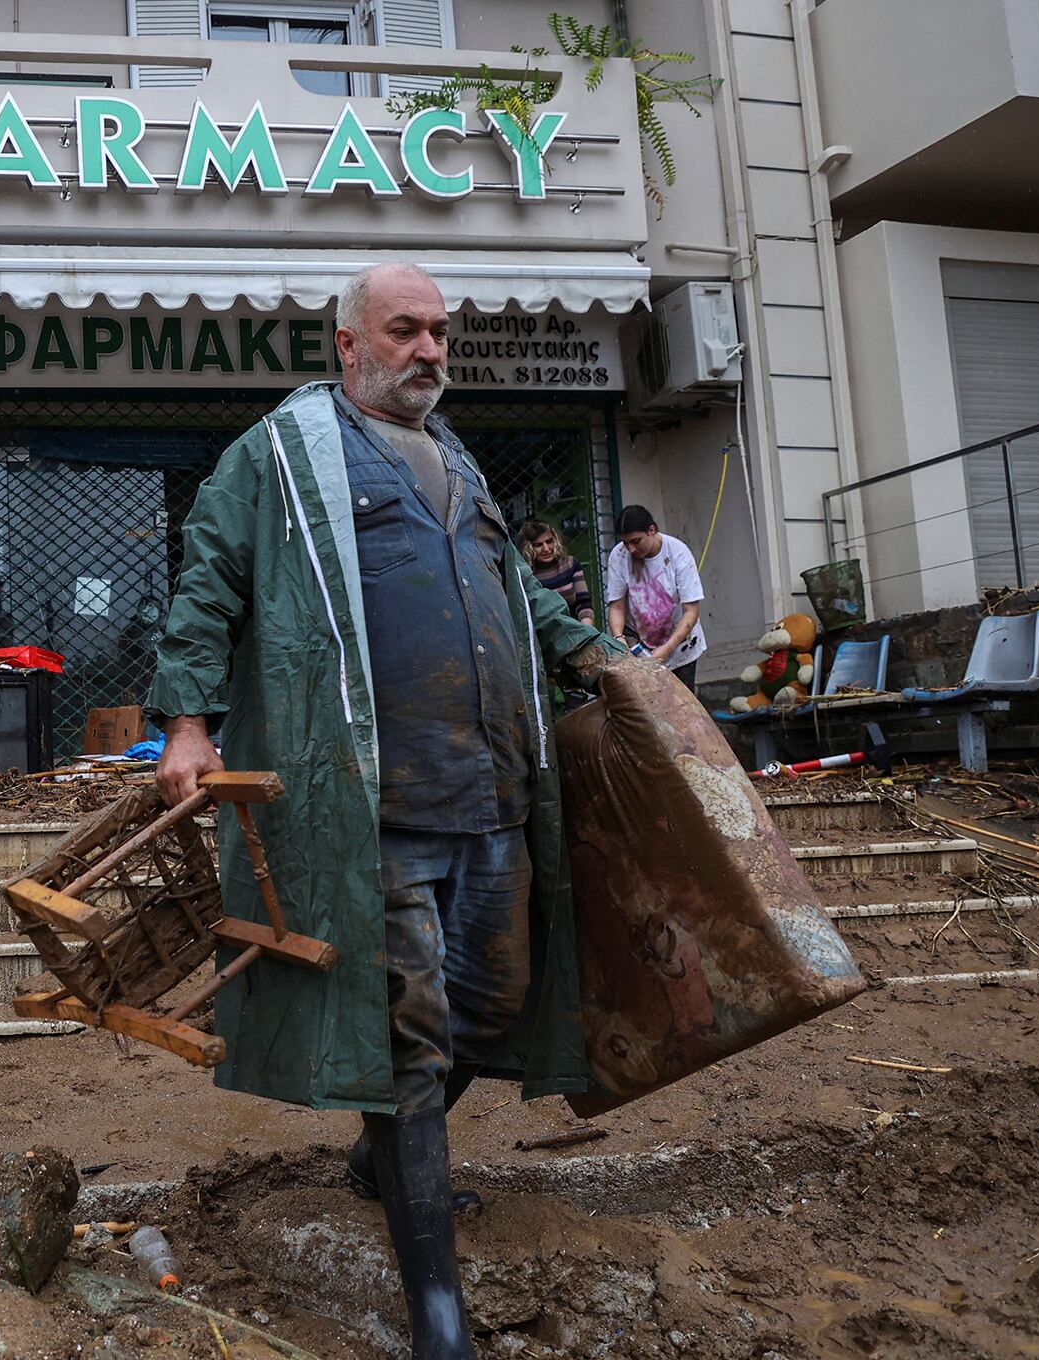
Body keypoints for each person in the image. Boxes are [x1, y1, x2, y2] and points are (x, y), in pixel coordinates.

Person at [148, 264, 638, 1360]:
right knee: (412, 1037)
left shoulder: (455, 456)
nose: (429, 351)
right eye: (405, 331)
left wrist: (608, 662)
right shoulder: (280, 453)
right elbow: (208, 580)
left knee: (493, 1003)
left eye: (439, 333)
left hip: (495, 796)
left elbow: (519, 602)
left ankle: (383, 1159)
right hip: (376, 807)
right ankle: (439, 1317)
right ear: (348, 346)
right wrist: (187, 719)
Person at [603, 505, 707, 690]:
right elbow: (617, 606)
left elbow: (691, 611)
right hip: (638, 639)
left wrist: (666, 649)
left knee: (681, 704)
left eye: (636, 541)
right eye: (626, 543)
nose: (631, 549)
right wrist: (619, 638)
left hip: (679, 641)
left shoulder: (678, 553)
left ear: (652, 530)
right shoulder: (619, 556)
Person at [517, 519, 595, 625]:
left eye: (549, 541)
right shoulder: (524, 575)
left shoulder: (570, 564)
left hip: (575, 627)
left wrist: (586, 630)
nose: (546, 549)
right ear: (528, 548)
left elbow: (584, 604)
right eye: (538, 545)